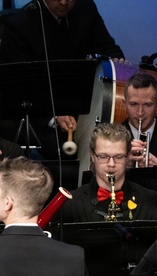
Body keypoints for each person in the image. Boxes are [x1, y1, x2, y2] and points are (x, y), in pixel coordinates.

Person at [0, 0, 124, 158]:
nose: (64, 2)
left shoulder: (86, 8)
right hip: (39, 110)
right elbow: (15, 86)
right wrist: (53, 115)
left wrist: (117, 62)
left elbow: (108, 47)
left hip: (79, 104)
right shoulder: (20, 24)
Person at [59, 123, 157, 222]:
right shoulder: (71, 203)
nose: (111, 164)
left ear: (127, 157)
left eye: (119, 157)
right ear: (92, 156)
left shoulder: (150, 200)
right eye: (103, 156)